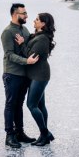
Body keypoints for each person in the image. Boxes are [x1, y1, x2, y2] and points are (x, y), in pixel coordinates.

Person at [1, 3, 39, 148]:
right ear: (15, 15)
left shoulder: (24, 29)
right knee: (11, 104)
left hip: (24, 74)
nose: (27, 16)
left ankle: (20, 133)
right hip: (12, 73)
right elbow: (9, 55)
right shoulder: (8, 32)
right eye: (24, 13)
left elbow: (27, 48)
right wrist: (26, 61)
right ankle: (9, 136)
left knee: (19, 104)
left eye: (26, 13)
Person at [15, 13, 56, 146]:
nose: (34, 20)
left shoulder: (42, 38)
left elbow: (31, 56)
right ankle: (43, 136)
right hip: (36, 75)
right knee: (40, 105)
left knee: (31, 105)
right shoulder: (38, 36)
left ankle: (45, 133)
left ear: (43, 24)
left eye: (37, 19)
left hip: (40, 75)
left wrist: (21, 44)